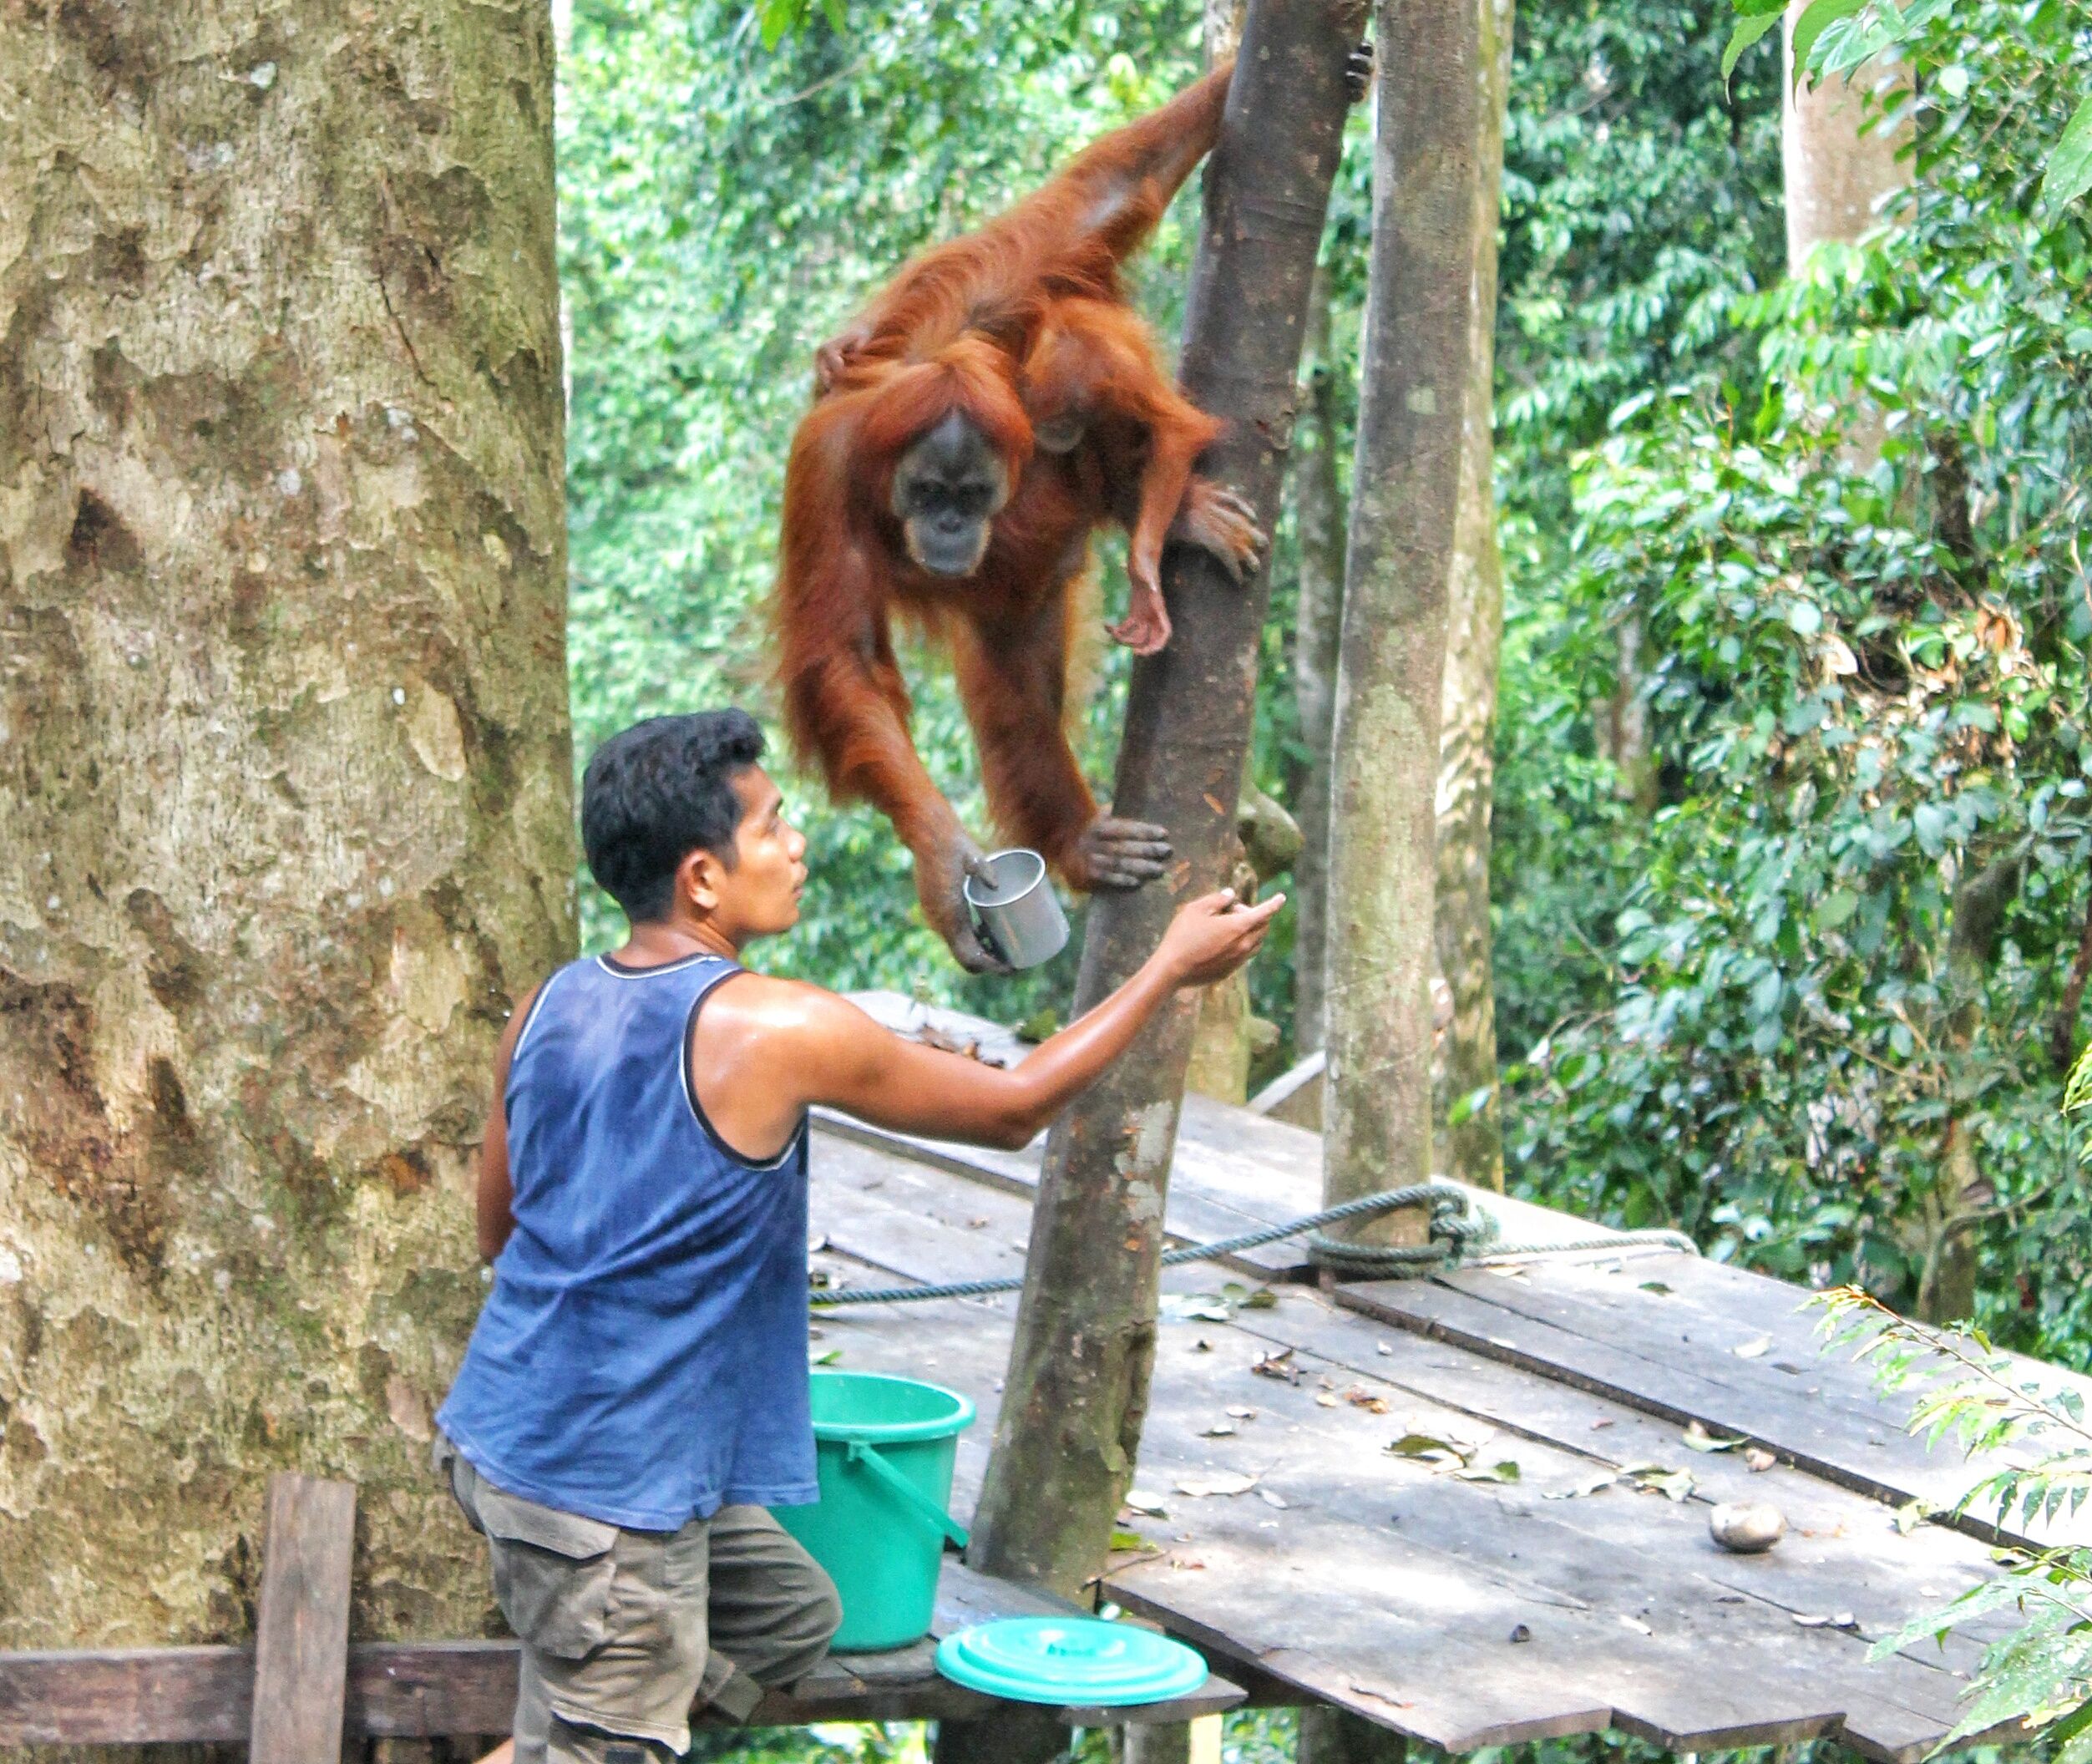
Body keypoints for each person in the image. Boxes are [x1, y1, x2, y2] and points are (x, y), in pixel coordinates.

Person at [433, 708, 1283, 1764]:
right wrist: (1165, 971)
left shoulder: (548, 1002)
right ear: (702, 878)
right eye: (775, 826)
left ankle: (587, 1708)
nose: (798, 845)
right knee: (612, 1733)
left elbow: (494, 1228)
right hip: (601, 1493)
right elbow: (1013, 1107)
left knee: (790, 1616)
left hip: (507, 1433)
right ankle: (600, 1719)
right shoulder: (777, 1027)